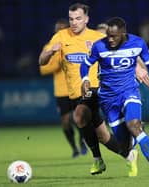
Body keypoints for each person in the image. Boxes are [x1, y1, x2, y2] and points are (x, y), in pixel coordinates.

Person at [39, 3, 142, 176]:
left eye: (78, 18)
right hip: (74, 94)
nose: (74, 22)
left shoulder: (96, 38)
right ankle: (129, 155)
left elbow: (125, 49)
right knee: (102, 136)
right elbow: (41, 62)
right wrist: (49, 53)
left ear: (87, 19)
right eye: (71, 19)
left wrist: (138, 67)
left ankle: (97, 160)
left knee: (79, 116)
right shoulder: (60, 37)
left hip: (94, 89)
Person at [80, 17, 149, 179]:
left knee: (133, 125)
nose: (110, 39)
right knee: (124, 146)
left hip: (129, 91)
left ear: (123, 33)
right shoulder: (99, 46)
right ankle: (137, 140)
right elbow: (85, 64)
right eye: (108, 35)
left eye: (114, 36)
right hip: (108, 99)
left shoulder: (138, 43)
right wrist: (85, 79)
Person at [39, 18, 87, 158]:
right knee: (66, 121)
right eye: (57, 29)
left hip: (76, 87)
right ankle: (74, 148)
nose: (59, 31)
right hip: (61, 91)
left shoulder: (74, 44)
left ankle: (83, 141)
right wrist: (58, 62)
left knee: (80, 118)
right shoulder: (49, 47)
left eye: (62, 29)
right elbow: (43, 69)